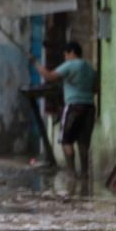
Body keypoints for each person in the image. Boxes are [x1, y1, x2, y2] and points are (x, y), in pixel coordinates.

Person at [32, 41, 97, 178]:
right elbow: (96, 89)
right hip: (89, 108)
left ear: (72, 52)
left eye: (66, 55)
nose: (65, 58)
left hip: (74, 107)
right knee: (83, 143)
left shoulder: (71, 65)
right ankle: (85, 174)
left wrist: (35, 63)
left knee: (66, 140)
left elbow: (48, 76)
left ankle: (71, 174)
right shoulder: (90, 68)